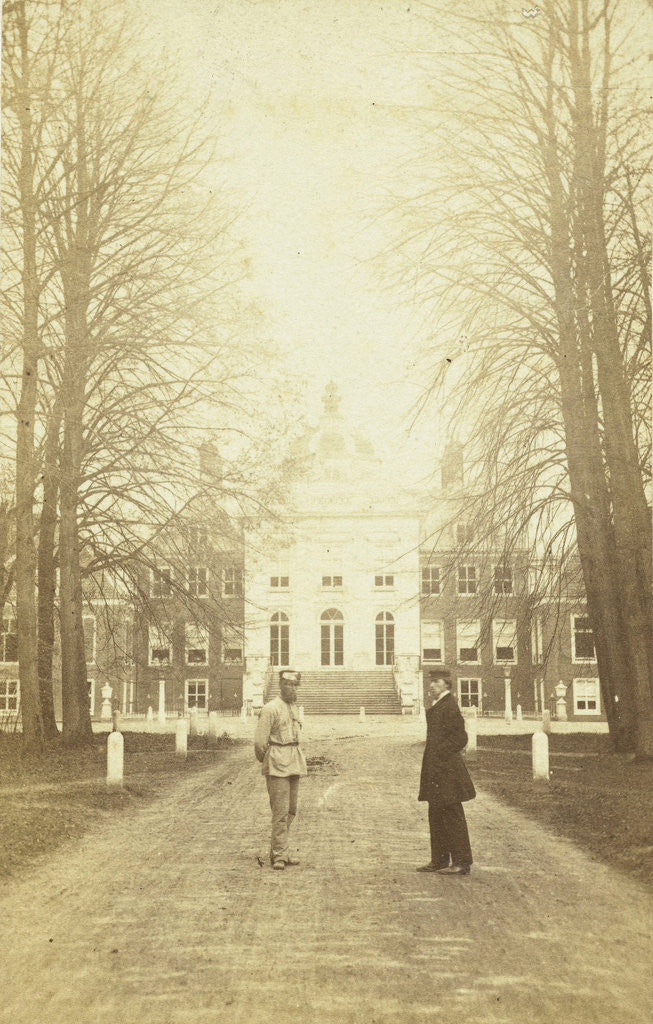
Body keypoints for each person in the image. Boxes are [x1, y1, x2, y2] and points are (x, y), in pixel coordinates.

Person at [417, 668, 475, 876]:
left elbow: (461, 738)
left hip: (447, 771)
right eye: (431, 682)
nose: (431, 685)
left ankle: (461, 862)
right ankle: (439, 860)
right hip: (438, 771)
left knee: (451, 814)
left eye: (436, 682)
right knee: (436, 814)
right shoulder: (440, 704)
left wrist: (440, 754)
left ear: (446, 684)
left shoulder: (449, 705)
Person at [254, 669, 307, 870]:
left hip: (294, 761)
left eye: (295, 685)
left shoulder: (293, 708)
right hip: (277, 763)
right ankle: (278, 855)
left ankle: (281, 850)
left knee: (292, 809)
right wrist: (268, 761)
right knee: (280, 812)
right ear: (281, 685)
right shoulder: (270, 708)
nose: (291, 688)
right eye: (288, 685)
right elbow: (259, 743)